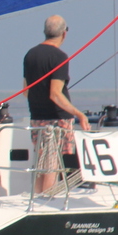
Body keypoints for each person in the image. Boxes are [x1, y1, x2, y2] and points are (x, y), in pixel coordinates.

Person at [23, 15, 91, 193]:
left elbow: (25, 90)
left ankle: (37, 197)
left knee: (41, 163)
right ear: (64, 33)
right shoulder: (59, 57)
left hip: (36, 117)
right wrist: (79, 114)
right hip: (56, 119)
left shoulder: (30, 55)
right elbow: (55, 94)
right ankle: (47, 199)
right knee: (52, 165)